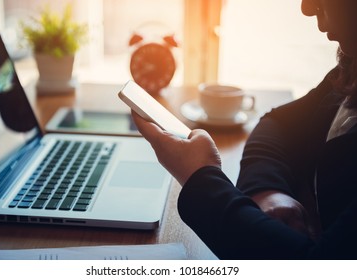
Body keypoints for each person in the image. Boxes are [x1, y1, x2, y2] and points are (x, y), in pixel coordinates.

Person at [132, 0, 357, 259]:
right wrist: (267, 190)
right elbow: (279, 124)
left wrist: (199, 176)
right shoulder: (348, 73)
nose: (306, 8)